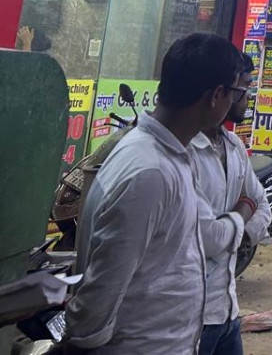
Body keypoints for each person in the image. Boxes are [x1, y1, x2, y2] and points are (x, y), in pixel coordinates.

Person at [64, 32, 244, 353]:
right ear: (216, 95)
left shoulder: (168, 154)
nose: (236, 101)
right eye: (236, 91)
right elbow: (103, 287)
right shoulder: (151, 171)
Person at [191, 52, 271, 355]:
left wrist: (240, 237)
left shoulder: (234, 146)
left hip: (227, 310)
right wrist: (242, 209)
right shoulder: (184, 152)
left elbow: (261, 205)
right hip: (191, 318)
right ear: (219, 93)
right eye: (243, 88)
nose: (246, 96)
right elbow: (209, 240)